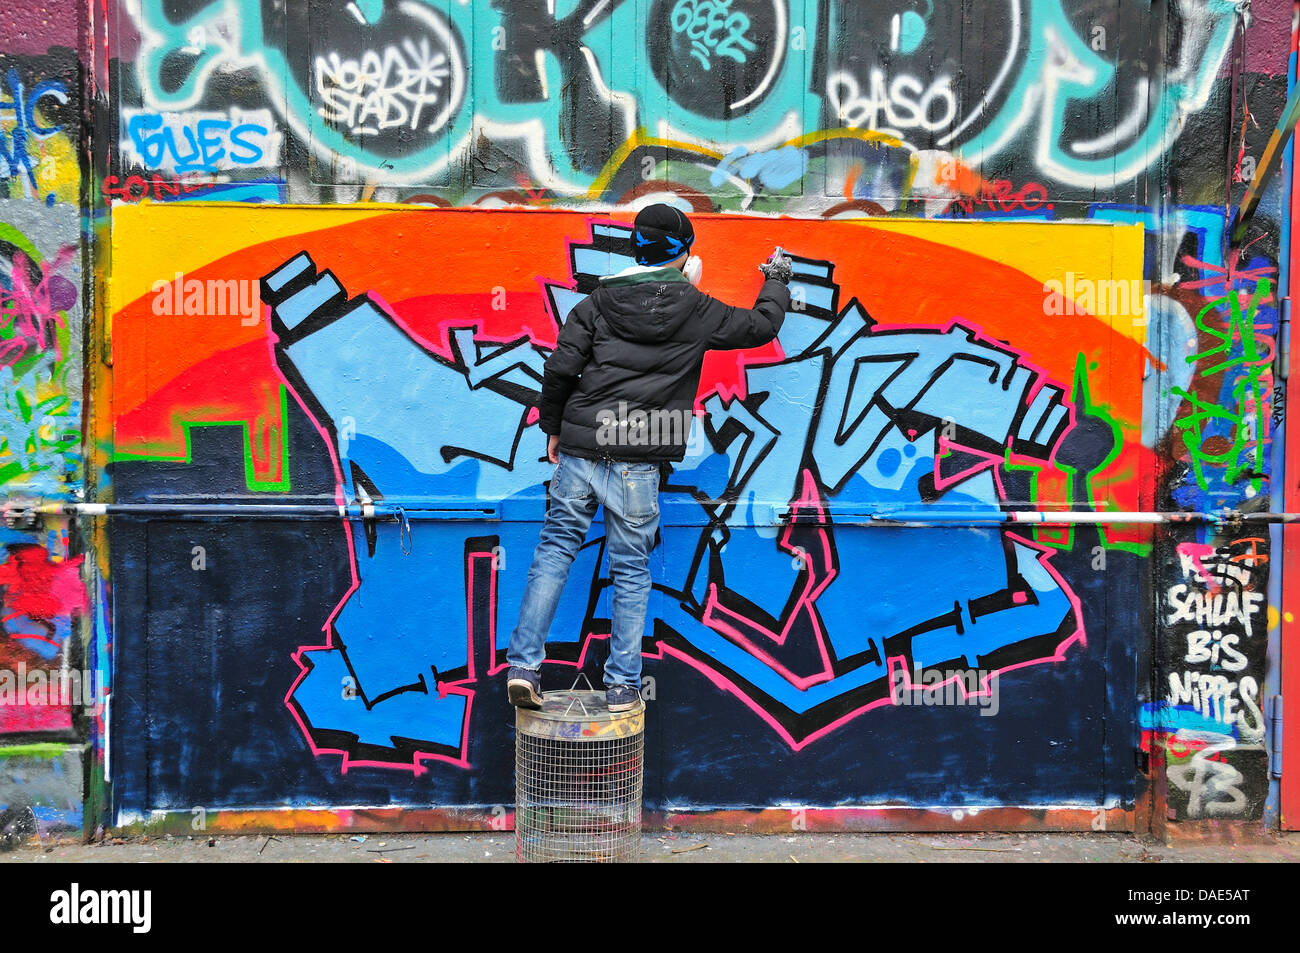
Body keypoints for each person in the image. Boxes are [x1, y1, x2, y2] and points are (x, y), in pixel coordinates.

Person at [506, 204, 794, 712]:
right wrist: (776, 280)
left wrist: (552, 427)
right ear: (685, 254)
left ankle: (525, 666)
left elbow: (560, 369)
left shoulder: (596, 302)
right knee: (632, 569)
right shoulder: (697, 308)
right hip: (638, 458)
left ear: (635, 246)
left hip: (580, 448)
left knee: (554, 553)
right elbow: (761, 327)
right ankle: (621, 684)